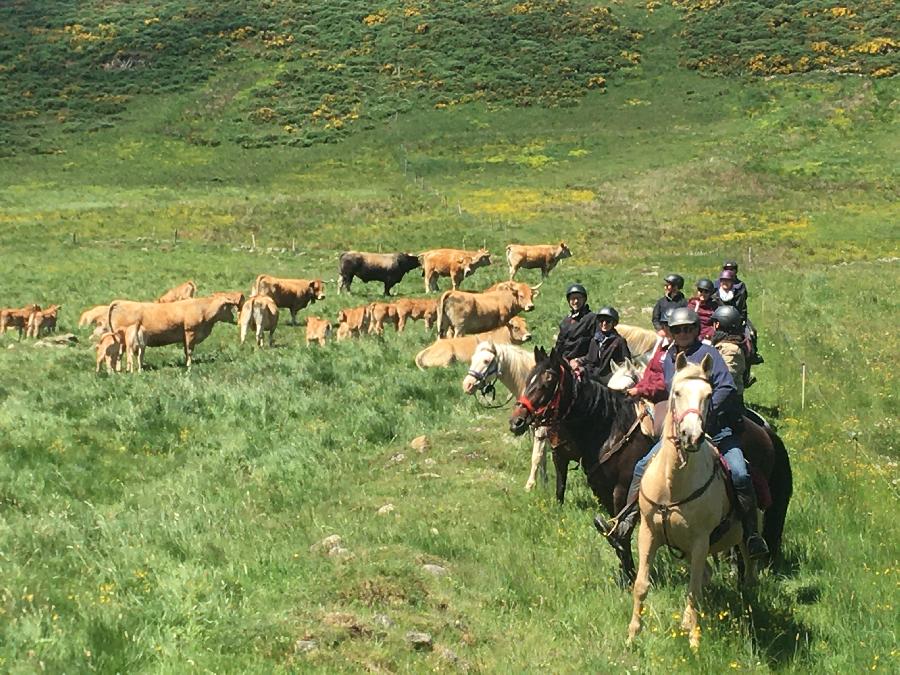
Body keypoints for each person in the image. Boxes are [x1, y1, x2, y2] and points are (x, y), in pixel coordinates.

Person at [596, 307, 769, 560]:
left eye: (688, 329)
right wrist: (639, 391)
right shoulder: (668, 360)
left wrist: (700, 415)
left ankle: (752, 535)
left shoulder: (709, 355)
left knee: (740, 473)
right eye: (678, 330)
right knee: (642, 465)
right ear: (672, 332)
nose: (684, 333)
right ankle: (624, 522)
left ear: (697, 330)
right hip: (678, 436)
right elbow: (667, 392)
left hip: (717, 430)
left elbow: (727, 387)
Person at [626, 308, 673, 403]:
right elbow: (649, 371)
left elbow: (666, 382)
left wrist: (641, 390)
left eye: (668, 325)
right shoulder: (662, 347)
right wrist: (639, 387)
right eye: (663, 325)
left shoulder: (677, 352)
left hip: (663, 398)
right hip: (649, 392)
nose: (664, 328)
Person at [575, 306, 631, 385]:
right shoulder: (594, 340)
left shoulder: (619, 341)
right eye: (601, 321)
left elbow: (626, 363)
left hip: (610, 380)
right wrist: (578, 361)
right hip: (593, 378)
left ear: (613, 323)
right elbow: (590, 359)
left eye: (608, 321)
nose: (604, 324)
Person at [711, 305, 750, 395]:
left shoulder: (731, 350)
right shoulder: (722, 344)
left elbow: (725, 379)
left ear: (717, 324)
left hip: (728, 401)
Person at [554, 283, 597, 364]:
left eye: (579, 298)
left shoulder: (592, 318)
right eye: (573, 298)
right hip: (565, 361)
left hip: (584, 363)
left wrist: (580, 360)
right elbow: (559, 344)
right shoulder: (566, 321)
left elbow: (595, 345)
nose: (576, 301)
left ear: (584, 299)